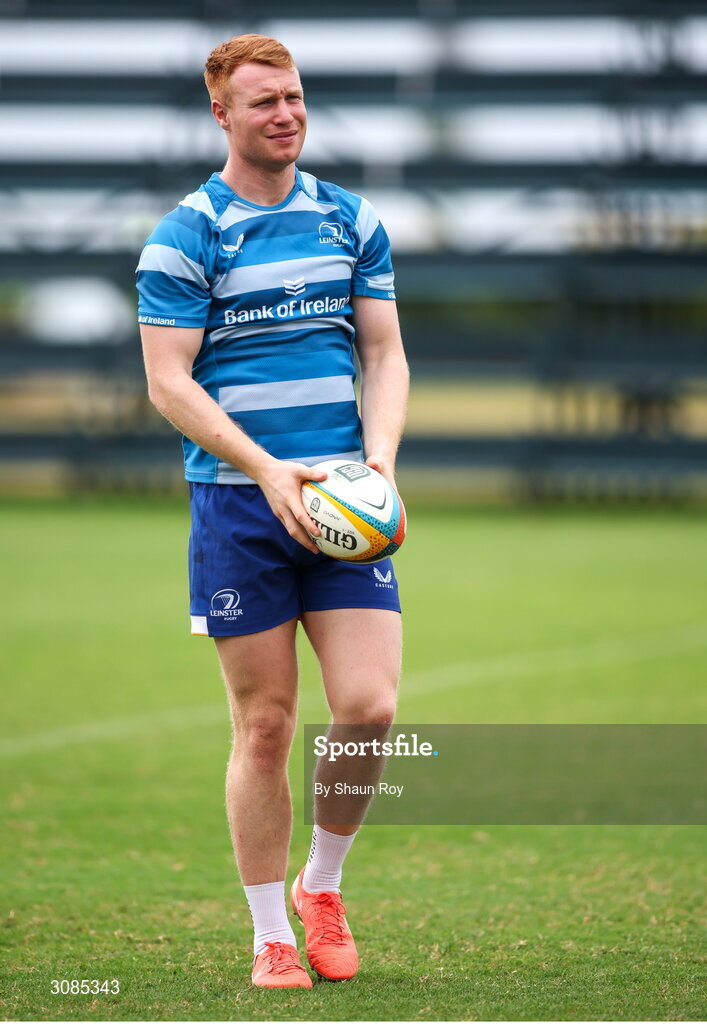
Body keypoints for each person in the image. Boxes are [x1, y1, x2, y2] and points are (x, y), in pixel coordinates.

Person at [136, 34, 408, 990]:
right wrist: (269, 470)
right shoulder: (187, 234)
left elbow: (382, 354)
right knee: (265, 726)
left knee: (369, 708)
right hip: (238, 508)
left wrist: (374, 463)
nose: (285, 114)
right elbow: (168, 382)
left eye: (293, 97)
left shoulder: (348, 218)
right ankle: (269, 935)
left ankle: (321, 886)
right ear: (222, 114)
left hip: (342, 505)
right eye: (263, 103)